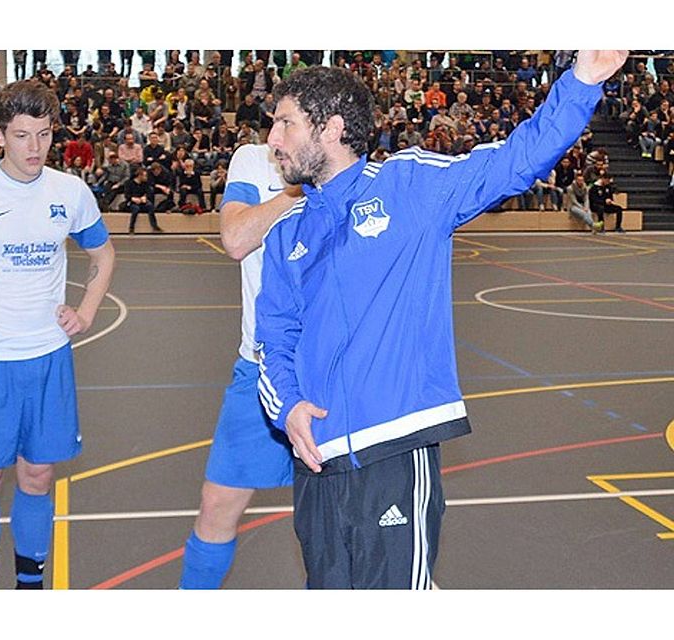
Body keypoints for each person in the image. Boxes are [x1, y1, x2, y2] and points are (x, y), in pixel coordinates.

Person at [254, 52, 627, 589]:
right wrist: (288, 409)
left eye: (285, 122)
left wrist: (583, 80)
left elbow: (515, 160)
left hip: (396, 451)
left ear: (332, 127)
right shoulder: (287, 234)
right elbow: (274, 340)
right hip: (316, 465)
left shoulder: (409, 187)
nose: (273, 139)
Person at [0, 80, 116, 590]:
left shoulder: (69, 192)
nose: (35, 148)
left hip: (49, 358)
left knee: (38, 477)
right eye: (22, 135)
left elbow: (103, 254)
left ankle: (30, 590)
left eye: (44, 134)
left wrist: (88, 310)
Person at [179, 143, 302, 588]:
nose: (276, 135)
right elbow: (234, 239)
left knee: (328, 523)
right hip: (261, 366)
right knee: (217, 505)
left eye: (288, 122)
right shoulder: (255, 160)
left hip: (329, 375)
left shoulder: (354, 169)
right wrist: (296, 189)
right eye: (276, 121)